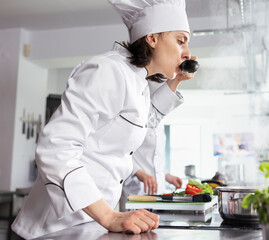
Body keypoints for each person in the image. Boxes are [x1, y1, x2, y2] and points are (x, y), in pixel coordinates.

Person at [11, 0, 196, 238]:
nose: (188, 53)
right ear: (152, 38)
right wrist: (109, 216)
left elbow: (145, 122)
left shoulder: (138, 81)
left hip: (90, 224)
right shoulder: (108, 70)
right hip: (51, 229)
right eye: (180, 41)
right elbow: (55, 148)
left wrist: (175, 81)